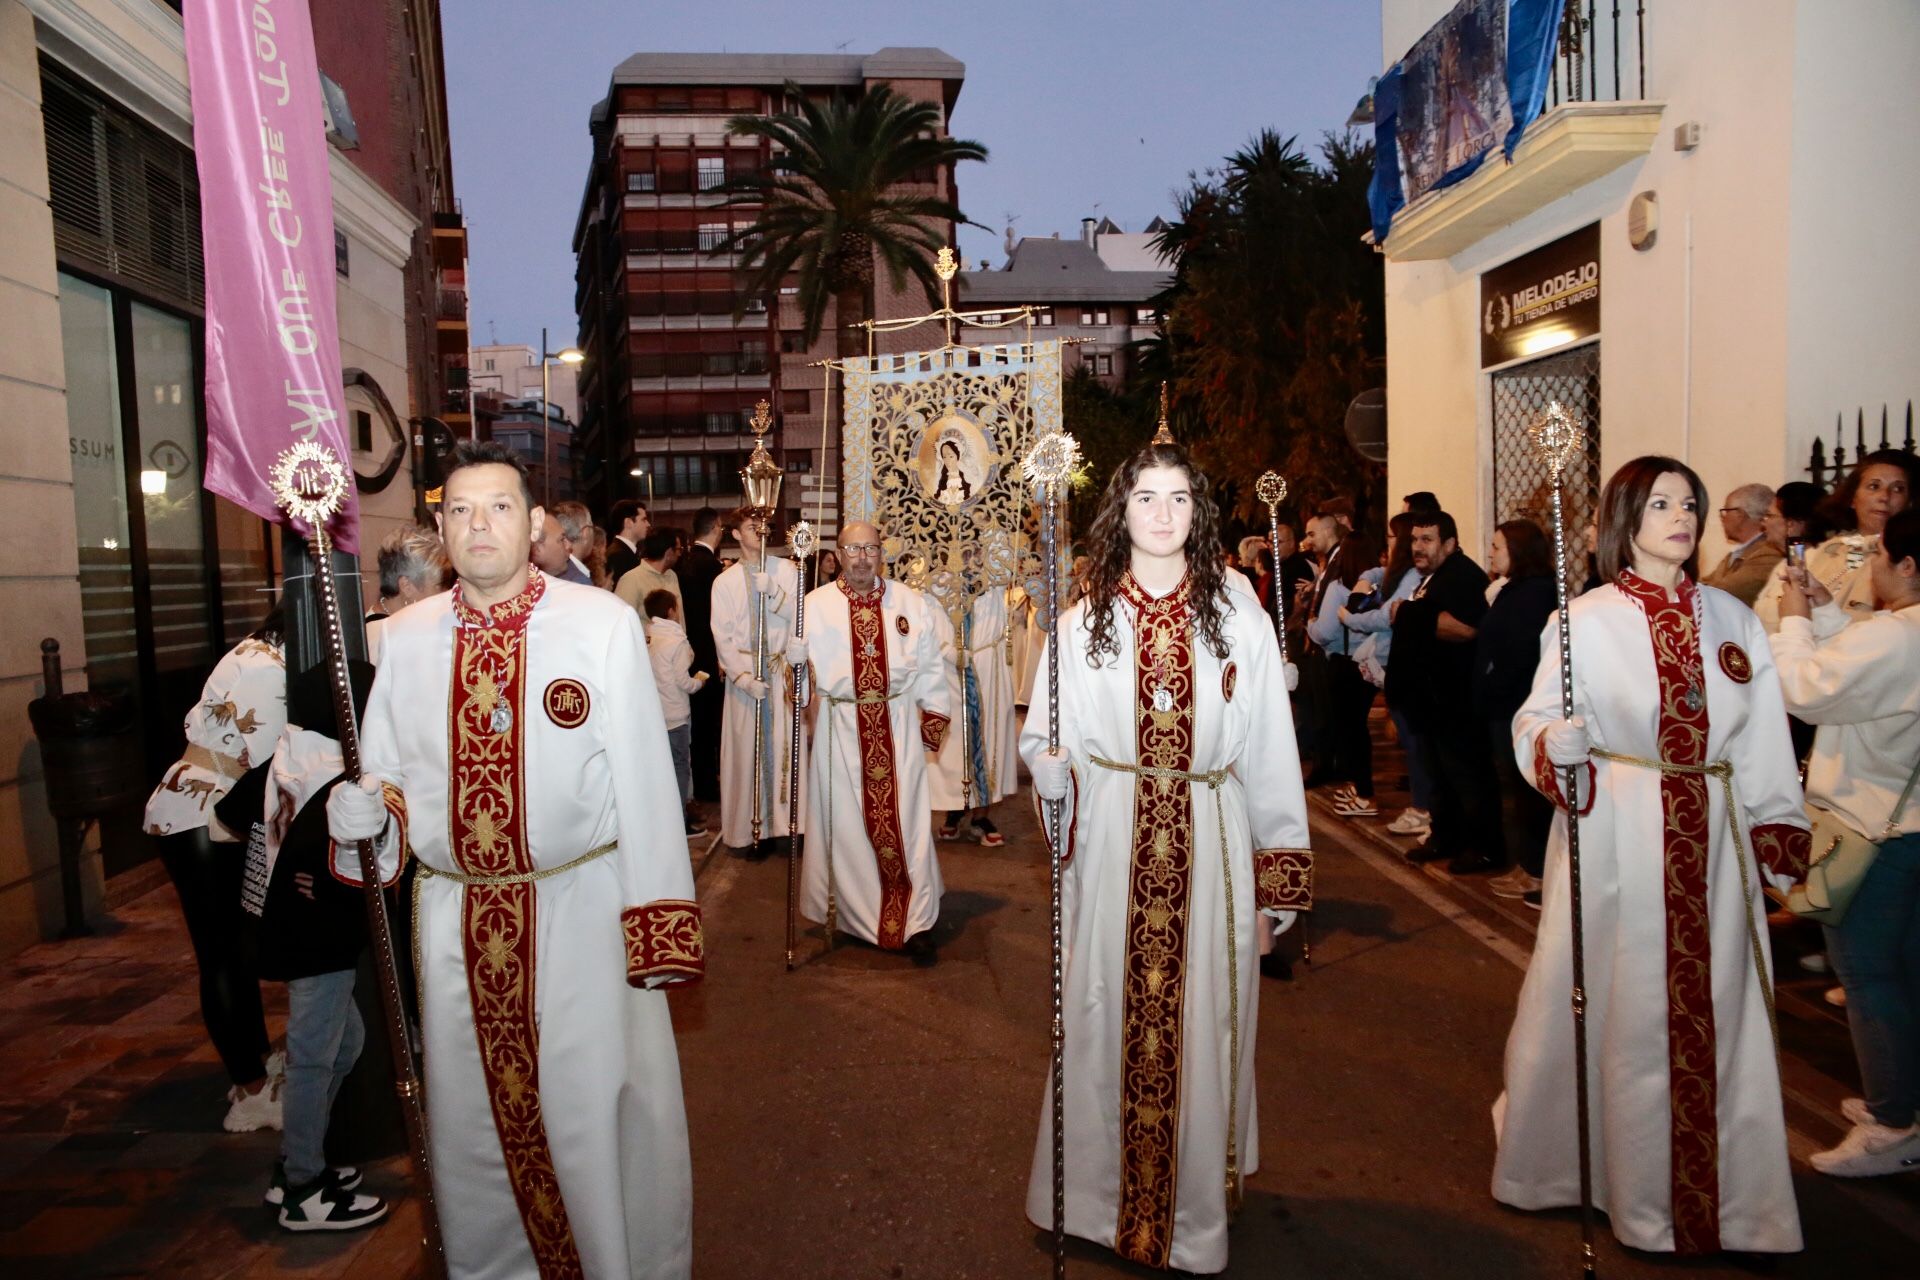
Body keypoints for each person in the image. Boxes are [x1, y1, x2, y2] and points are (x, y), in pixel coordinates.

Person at [325, 441, 700, 1279]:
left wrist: (660, 923)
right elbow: (385, 779)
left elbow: (643, 775)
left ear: (532, 523)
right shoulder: (406, 638)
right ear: (440, 528)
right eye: (458, 511)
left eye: (496, 507)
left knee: (587, 1107)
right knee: (472, 1126)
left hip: (581, 916)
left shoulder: (598, 622)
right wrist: (364, 812)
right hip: (457, 927)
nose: (477, 525)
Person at [1497, 455, 1809, 1255]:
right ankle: (1610, 1183)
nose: (1682, 517)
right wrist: (1551, 745)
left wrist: (1776, 821)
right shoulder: (1584, 621)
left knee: (1723, 1009)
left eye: (1691, 504)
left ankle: (1731, 1200)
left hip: (1715, 849)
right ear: (1626, 519)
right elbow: (1535, 719)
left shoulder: (1734, 620)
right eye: (1663, 503)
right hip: (1618, 838)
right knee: (1624, 1011)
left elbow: (1765, 733)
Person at [1023, 441, 1312, 1273]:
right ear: (1122, 511)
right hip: (1114, 842)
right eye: (1145, 497)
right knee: (1100, 1008)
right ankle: (1094, 1201)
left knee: (1205, 1022)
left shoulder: (1240, 616)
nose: (1160, 514)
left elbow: (1267, 752)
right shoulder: (1082, 623)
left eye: (1178, 499)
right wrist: (1048, 770)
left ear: (1199, 513)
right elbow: (1053, 734)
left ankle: (1187, 1215)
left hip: (1213, 846)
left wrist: (1275, 875)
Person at [1772, 507, 1920, 1177]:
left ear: (1909, 565)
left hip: (1875, 832)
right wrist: (1829, 617)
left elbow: (1805, 688)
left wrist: (1795, 618)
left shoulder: (1898, 636)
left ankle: (1893, 1125)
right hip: (1909, 825)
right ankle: (1904, 1099)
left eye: (1881, 556)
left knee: (1867, 975)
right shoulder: (1897, 636)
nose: (1874, 567)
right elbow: (1866, 681)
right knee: (1905, 973)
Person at [217, 662, 390, 1232]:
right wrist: (305, 864)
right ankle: (302, 1188)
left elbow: (228, 810)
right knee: (315, 1056)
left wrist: (277, 839)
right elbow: (345, 861)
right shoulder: (344, 774)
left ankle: (299, 1157)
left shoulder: (291, 751)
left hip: (292, 928)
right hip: (321, 940)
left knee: (345, 1044)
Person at [143, 612, 286, 1133]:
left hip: (202, 805)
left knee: (233, 950)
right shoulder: (267, 669)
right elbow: (275, 756)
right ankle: (248, 1091)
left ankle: (252, 1062)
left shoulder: (256, 652)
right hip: (202, 812)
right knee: (222, 954)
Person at [794, 521, 950, 963]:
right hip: (840, 729)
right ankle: (858, 916)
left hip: (897, 724)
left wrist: (930, 725)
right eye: (853, 549)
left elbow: (930, 669)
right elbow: (801, 689)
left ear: (883, 552)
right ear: (839, 554)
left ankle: (915, 922)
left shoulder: (908, 602)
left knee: (909, 824)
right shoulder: (814, 606)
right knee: (846, 828)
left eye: (871, 549)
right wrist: (795, 667)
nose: (862, 557)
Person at [1387, 511, 1500, 874]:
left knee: (1468, 777)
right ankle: (1446, 837)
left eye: (1427, 540)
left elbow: (1466, 629)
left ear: (1449, 544)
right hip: (1434, 702)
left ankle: (1483, 848)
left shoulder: (1462, 576)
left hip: (1457, 702)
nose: (1417, 547)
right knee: (1440, 778)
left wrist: (1407, 613)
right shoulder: (1433, 577)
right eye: (1414, 540)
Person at [711, 509, 807, 859]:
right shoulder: (724, 582)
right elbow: (721, 634)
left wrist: (776, 596)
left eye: (764, 527)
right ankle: (750, 829)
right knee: (745, 751)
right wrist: (742, 677)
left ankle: (788, 826)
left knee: (785, 748)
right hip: (746, 680)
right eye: (752, 528)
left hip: (779, 671)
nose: (760, 532)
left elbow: (801, 615)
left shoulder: (787, 570)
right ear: (735, 535)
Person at [1473, 521, 1557, 905]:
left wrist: (1492, 686)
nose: (1490, 553)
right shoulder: (1516, 589)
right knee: (1519, 793)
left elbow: (1521, 654)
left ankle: (1538, 871)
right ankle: (1529, 865)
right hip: (1503, 703)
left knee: (1529, 793)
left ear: (1518, 550)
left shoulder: (1535, 593)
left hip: (1517, 704)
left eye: (1497, 546)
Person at [1756, 449, 1919, 632]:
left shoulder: (1902, 564)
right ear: (1852, 498)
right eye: (1874, 486)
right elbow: (1767, 616)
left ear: (1910, 502)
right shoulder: (1822, 551)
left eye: (1898, 489)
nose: (1884, 497)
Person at [1344, 513, 1430, 835]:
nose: (1389, 543)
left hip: (1400, 662)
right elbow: (1382, 582)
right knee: (1408, 738)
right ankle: (1422, 805)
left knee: (1414, 739)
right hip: (1394, 662)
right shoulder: (1399, 573)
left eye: (1393, 538)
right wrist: (1369, 575)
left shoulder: (1411, 579)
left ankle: (1424, 807)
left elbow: (1386, 616)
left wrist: (1349, 618)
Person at [927, 563, 1019, 847]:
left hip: (987, 667)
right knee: (953, 745)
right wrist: (948, 652)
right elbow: (924, 625)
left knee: (989, 741)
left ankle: (981, 814)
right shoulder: (934, 583)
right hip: (950, 672)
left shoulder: (994, 581)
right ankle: (954, 812)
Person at [1307, 528, 1384, 818]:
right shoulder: (1380, 589)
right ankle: (1358, 786)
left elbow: (1325, 631)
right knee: (1358, 727)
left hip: (1343, 662)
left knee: (1350, 730)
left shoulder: (1340, 588)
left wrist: (1310, 624)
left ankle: (1363, 790)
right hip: (1370, 662)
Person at [645, 589, 710, 837]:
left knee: (661, 768)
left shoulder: (650, 638)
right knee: (681, 767)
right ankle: (680, 822)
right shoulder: (676, 642)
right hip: (675, 714)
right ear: (672, 611)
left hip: (655, 712)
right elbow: (683, 682)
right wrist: (700, 683)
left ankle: (661, 821)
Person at [678, 507, 727, 809]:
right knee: (708, 723)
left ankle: (701, 780)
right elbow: (715, 618)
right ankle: (708, 784)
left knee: (697, 722)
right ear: (717, 528)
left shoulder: (685, 562)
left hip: (689, 651)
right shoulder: (710, 566)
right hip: (708, 653)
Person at [366, 525, 451, 667]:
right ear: (407, 586)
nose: (447, 592)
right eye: (439, 585)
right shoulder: (386, 638)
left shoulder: (377, 627)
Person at [1700, 483, 1781, 606]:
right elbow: (1706, 583)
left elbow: (1725, 593)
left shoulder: (1769, 554)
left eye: (1725, 511)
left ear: (1740, 515)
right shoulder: (1740, 552)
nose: (1723, 518)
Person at [616, 527, 684, 636]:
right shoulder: (631, 579)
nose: (679, 554)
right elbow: (621, 624)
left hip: (677, 648)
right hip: (647, 651)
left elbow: (680, 620)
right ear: (669, 553)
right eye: (678, 549)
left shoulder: (672, 575)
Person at [605, 497, 650, 584]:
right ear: (628, 522)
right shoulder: (617, 556)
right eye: (643, 519)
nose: (648, 524)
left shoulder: (627, 552)